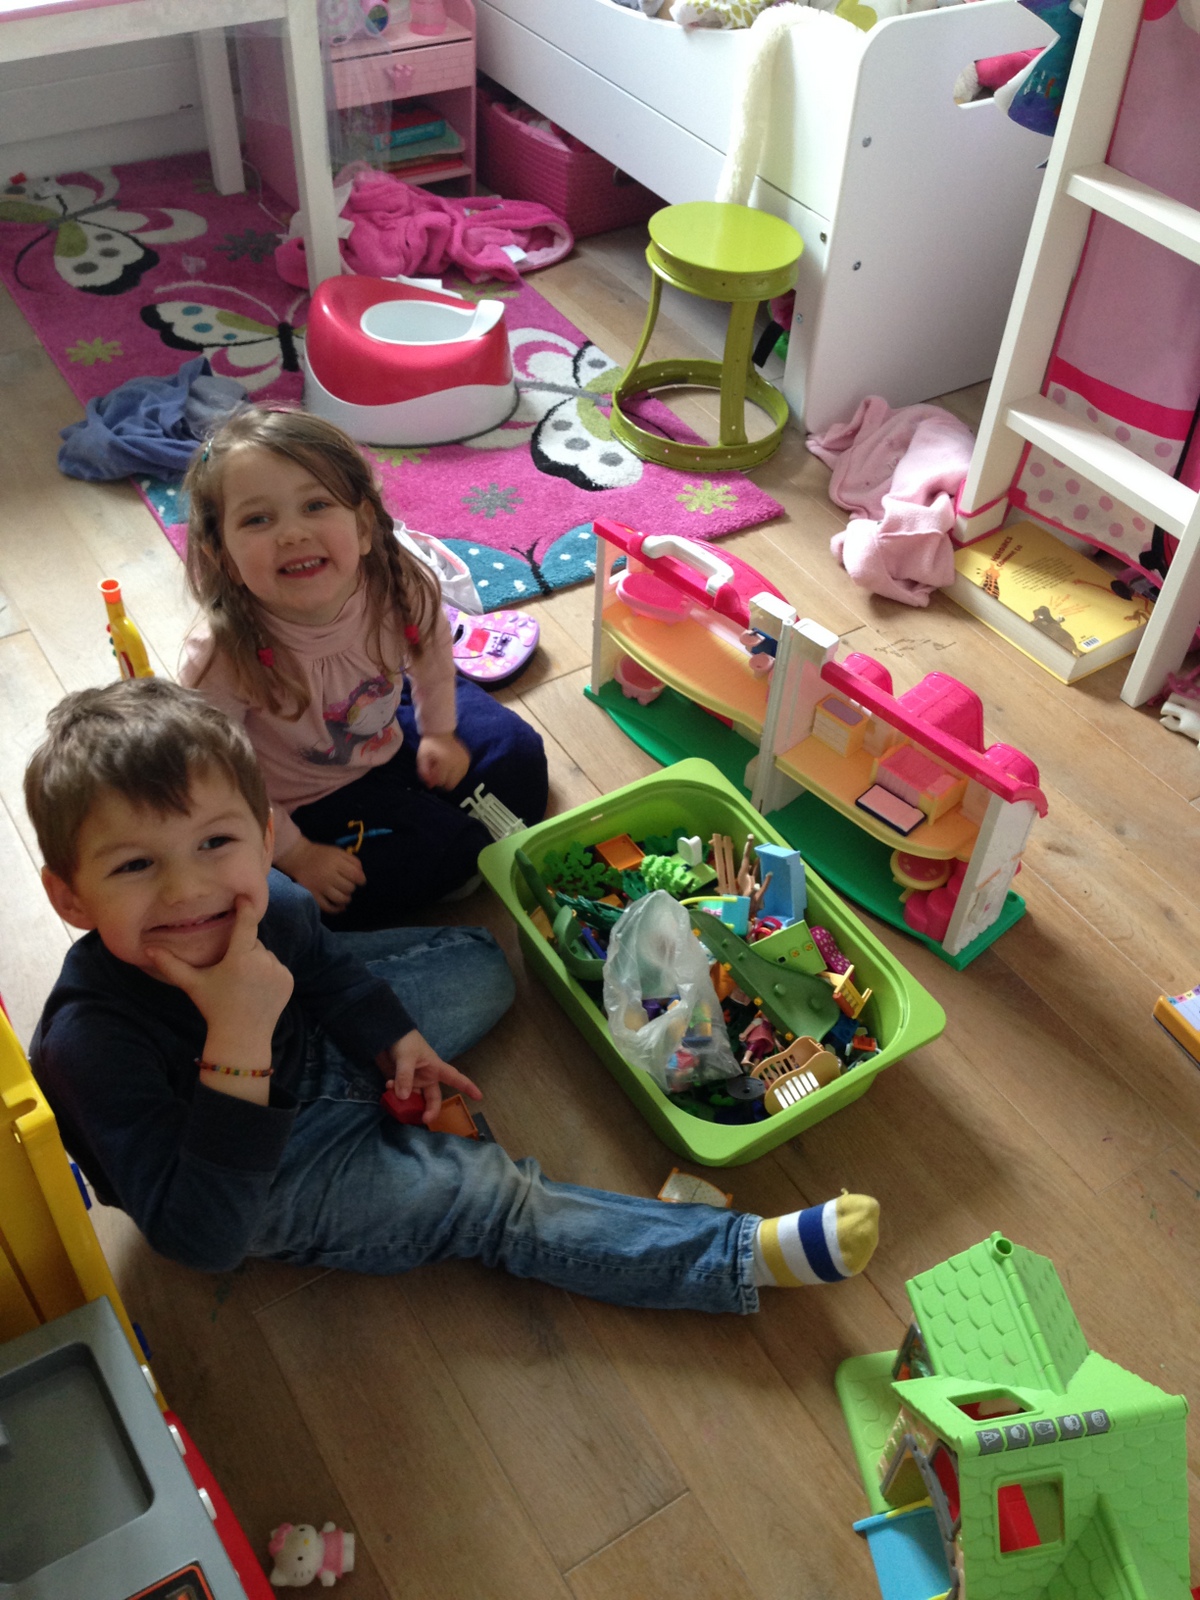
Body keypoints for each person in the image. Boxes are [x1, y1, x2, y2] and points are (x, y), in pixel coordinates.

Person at [25, 679, 881, 1306]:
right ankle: (734, 1255)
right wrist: (240, 1034)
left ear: (266, 834)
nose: (188, 890)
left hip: (308, 1050)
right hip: (253, 1174)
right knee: (486, 1196)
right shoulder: (89, 1041)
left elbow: (327, 973)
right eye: (135, 866)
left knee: (481, 965)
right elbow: (198, 1237)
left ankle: (372, 1098)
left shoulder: (272, 900)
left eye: (216, 843)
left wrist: (394, 1040)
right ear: (69, 899)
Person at [178, 404, 548, 929]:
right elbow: (220, 780)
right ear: (222, 556)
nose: (292, 533)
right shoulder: (221, 656)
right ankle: (454, 845)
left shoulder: (398, 582)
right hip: (297, 801)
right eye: (258, 519)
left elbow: (432, 655)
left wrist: (439, 732)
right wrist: (295, 853)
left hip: (387, 724)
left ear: (365, 526)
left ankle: (457, 839)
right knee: (358, 881)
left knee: (517, 752)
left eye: (316, 504)